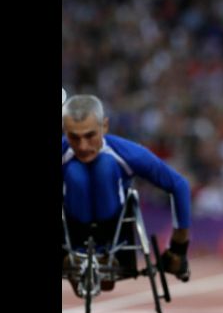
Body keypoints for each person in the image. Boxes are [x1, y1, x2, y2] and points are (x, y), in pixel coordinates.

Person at [62, 94, 192, 295]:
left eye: (90, 136)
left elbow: (179, 185)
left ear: (104, 126)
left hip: (116, 237)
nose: (83, 147)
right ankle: (78, 255)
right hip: (71, 234)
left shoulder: (127, 152)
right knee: (75, 172)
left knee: (104, 166)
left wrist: (179, 247)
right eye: (74, 137)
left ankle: (102, 254)